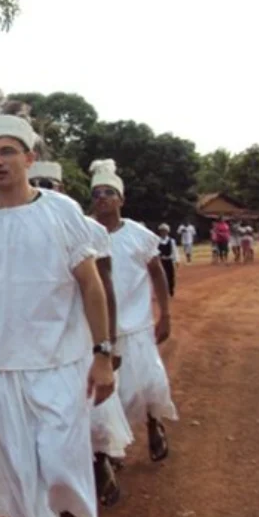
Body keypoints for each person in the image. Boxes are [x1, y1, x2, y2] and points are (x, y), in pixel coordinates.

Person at [0, 96, 115, 517]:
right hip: (0, 368)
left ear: (29, 157)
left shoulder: (61, 212)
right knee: (19, 473)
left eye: (7, 151)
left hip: (60, 364)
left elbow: (91, 284)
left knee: (61, 464)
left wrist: (103, 354)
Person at [30, 158, 131, 507]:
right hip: (36, 346)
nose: (43, 187)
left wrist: (108, 345)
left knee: (92, 409)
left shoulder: (89, 230)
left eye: (50, 182)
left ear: (61, 189)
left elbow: (104, 288)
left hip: (82, 337)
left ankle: (99, 462)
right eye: (37, 180)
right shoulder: (11, 226)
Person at [89, 161, 178, 466]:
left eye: (109, 192)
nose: (102, 197)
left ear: (121, 200)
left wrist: (164, 314)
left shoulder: (139, 235)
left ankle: (154, 425)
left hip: (137, 327)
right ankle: (108, 452)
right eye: (97, 193)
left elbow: (158, 274)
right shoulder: (84, 234)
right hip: (100, 332)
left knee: (149, 386)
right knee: (106, 397)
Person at [157, 223, 178, 296]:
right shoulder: (157, 241)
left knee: (170, 276)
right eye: (162, 231)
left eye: (164, 231)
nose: (163, 233)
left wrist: (176, 260)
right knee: (161, 276)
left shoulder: (171, 241)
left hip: (169, 260)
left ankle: (170, 290)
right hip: (161, 261)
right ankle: (163, 291)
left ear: (167, 232)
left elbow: (174, 250)